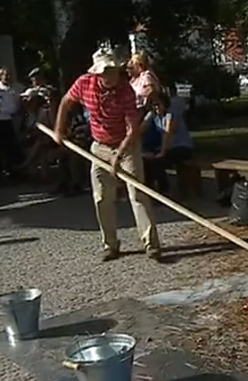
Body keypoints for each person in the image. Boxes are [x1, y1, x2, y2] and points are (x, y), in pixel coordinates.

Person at [52, 46, 161, 262]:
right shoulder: (84, 83)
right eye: (105, 71)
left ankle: (151, 245)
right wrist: (59, 130)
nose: (110, 75)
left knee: (137, 194)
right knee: (102, 197)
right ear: (97, 73)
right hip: (99, 146)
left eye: (112, 70)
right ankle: (110, 245)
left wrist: (118, 156)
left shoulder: (125, 91)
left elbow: (133, 130)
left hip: (127, 146)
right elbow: (65, 102)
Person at [142, 91, 196, 198]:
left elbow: (168, 133)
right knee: (146, 161)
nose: (155, 107)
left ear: (164, 103)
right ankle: (148, 191)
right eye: (153, 105)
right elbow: (141, 129)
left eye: (158, 104)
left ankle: (165, 191)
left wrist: (162, 152)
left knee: (157, 161)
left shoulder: (171, 114)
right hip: (167, 147)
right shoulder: (153, 114)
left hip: (181, 147)